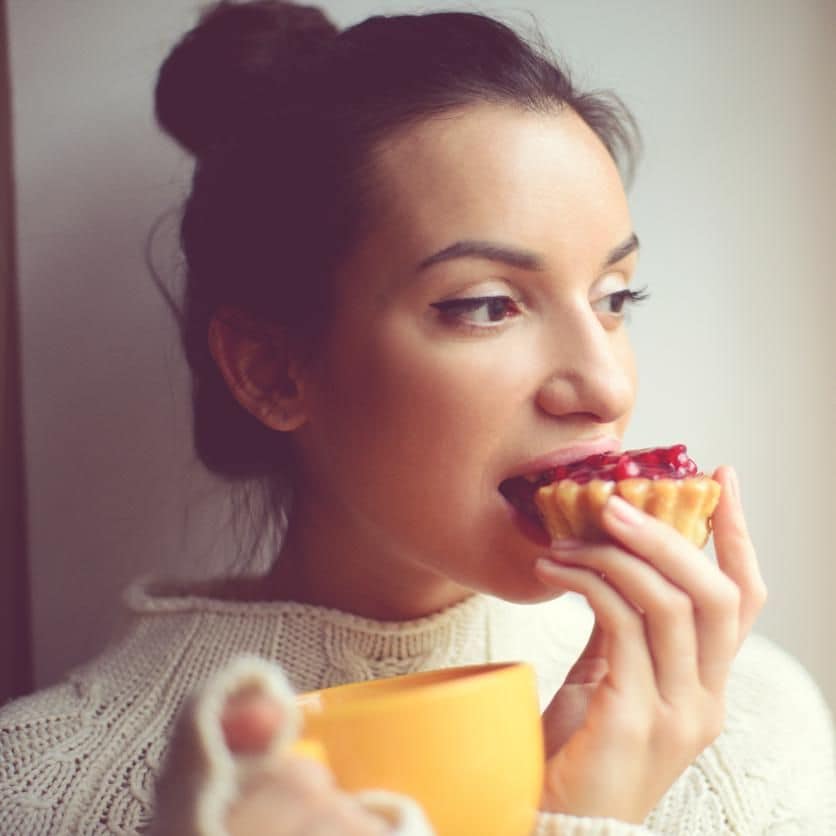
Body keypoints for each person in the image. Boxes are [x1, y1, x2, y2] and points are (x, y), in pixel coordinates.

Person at [2, 1, 834, 833]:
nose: (606, 388)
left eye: (616, 298)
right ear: (272, 370)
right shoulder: (38, 793)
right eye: (486, 306)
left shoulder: (757, 727)